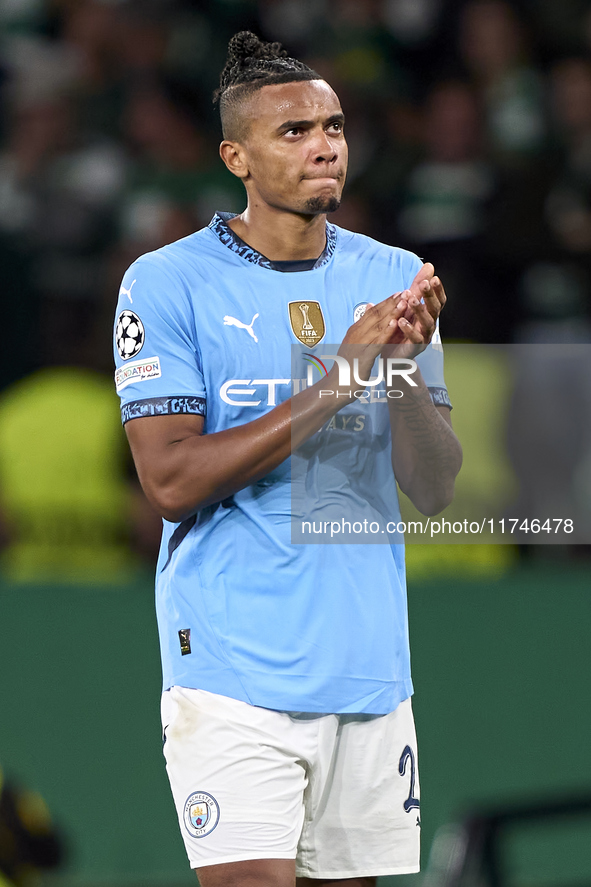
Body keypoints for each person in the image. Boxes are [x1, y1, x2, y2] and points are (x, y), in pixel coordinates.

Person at [113, 31, 462, 887]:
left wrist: (401, 368)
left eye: (333, 127)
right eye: (294, 131)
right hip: (233, 667)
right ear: (235, 154)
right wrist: (344, 374)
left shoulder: (392, 278)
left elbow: (435, 485)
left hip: (367, 667)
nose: (323, 146)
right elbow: (170, 481)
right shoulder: (166, 283)